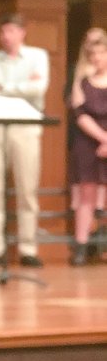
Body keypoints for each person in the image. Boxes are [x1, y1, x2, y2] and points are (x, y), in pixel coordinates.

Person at [0, 13, 49, 267]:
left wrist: (5, 88)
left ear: (22, 32)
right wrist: (20, 87)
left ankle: (28, 248)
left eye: (11, 31)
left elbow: (39, 88)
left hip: (26, 125)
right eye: (3, 32)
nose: (6, 36)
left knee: (27, 189)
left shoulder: (38, 56)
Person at [68, 27, 107, 266]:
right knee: (87, 195)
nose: (97, 58)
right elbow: (79, 114)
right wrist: (104, 138)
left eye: (101, 53)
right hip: (88, 143)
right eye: (92, 54)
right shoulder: (82, 82)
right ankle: (80, 246)